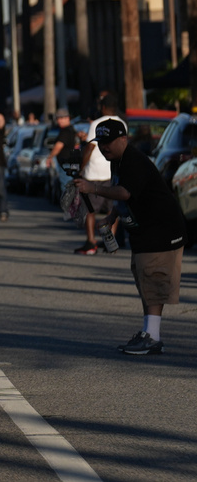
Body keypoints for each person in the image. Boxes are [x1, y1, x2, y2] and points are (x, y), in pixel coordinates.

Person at [73, 118, 186, 355]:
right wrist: (113, 215)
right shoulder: (117, 160)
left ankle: (153, 337)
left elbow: (124, 192)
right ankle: (149, 333)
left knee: (153, 279)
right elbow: (126, 192)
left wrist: (92, 188)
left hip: (162, 228)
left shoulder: (133, 160)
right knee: (144, 279)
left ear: (123, 139)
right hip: (146, 229)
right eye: (100, 142)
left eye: (109, 142)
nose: (104, 147)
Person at [76, 93, 125, 255]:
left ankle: (91, 242)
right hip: (112, 173)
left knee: (90, 209)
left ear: (103, 107)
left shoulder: (97, 124)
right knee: (112, 210)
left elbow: (90, 148)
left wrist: (80, 168)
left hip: (94, 173)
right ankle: (109, 242)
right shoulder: (122, 124)